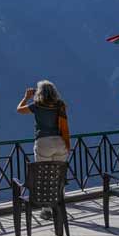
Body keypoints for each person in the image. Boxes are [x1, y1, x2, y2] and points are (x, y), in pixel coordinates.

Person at [16, 80, 70, 220]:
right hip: (60, 141)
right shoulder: (60, 105)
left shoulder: (37, 105)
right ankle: (59, 205)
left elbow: (19, 110)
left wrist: (27, 97)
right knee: (59, 175)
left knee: (44, 175)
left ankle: (46, 209)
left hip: (43, 142)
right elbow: (65, 113)